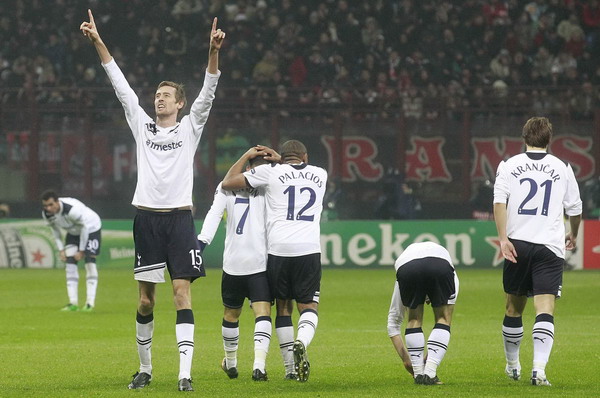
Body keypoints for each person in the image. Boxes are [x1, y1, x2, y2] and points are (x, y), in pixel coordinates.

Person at [80, 9, 225, 392]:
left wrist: (213, 52)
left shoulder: (191, 126)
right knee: (146, 301)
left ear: (180, 103)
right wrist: (97, 41)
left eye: (165, 96)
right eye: (157, 95)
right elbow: (120, 83)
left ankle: (184, 373)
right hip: (146, 219)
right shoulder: (142, 125)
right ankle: (145, 369)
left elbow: (209, 90)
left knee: (181, 293)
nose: (158, 99)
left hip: (179, 220)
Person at [221, 140, 328, 382]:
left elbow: (228, 183)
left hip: (278, 251)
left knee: (283, 308)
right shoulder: (321, 174)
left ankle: (290, 369)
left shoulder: (269, 172)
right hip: (308, 250)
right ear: (305, 156)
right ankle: (301, 341)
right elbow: (296, 169)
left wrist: (256, 157)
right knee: (308, 307)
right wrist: (281, 158)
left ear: (282, 157)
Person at [493, 116, 582, 386]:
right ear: (549, 140)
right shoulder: (562, 167)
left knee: (513, 307)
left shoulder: (509, 165)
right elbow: (575, 209)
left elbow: (499, 202)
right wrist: (574, 234)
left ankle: (512, 365)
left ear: (524, 138)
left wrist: (503, 238)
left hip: (517, 245)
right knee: (545, 308)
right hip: (549, 248)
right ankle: (539, 371)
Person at [197, 149, 280, 381]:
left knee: (231, 314)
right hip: (260, 262)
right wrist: (281, 160)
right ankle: (259, 366)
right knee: (262, 312)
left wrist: (201, 243)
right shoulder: (270, 187)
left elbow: (213, 214)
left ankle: (231, 364)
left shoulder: (226, 186)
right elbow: (293, 174)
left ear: (246, 166)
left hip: (233, 263)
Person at [394, 241, 459, 385]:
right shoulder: (453, 277)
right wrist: (429, 362)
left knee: (413, 318)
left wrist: (413, 361)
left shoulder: (400, 281)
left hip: (407, 266)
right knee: (443, 318)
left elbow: (393, 323)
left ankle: (418, 375)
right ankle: (429, 374)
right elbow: (447, 322)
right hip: (440, 264)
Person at [41, 190, 101, 312]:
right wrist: (61, 249)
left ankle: (90, 303)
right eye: (45, 205)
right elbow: (55, 231)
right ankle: (72, 303)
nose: (48, 208)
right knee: (70, 263)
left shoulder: (72, 210)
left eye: (51, 204)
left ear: (57, 202)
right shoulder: (46, 214)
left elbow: (84, 228)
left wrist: (82, 250)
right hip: (73, 232)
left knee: (89, 262)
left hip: (91, 228)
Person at [386, 282, 414, 378]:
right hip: (443, 273)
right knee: (443, 319)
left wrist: (406, 360)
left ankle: (415, 366)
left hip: (407, 271)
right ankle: (429, 368)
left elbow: (393, 323)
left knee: (415, 319)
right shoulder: (449, 275)